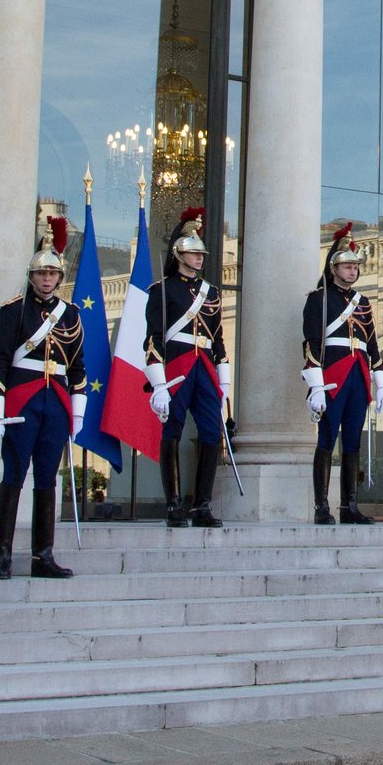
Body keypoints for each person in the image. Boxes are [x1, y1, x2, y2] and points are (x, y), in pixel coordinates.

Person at [0, 217, 87, 579]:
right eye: (41, 274)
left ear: (59, 278)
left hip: (56, 402)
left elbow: (77, 367)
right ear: (31, 276)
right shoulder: (13, 310)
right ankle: (3, 556)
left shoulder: (71, 315)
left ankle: (43, 555)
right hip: (23, 400)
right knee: (14, 475)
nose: (46, 280)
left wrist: (77, 413)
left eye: (52, 274)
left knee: (47, 477)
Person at [145, 208, 229, 528]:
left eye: (201, 253)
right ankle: (174, 504)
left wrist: (225, 383)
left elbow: (218, 338)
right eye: (193, 252)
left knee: (211, 432)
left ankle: (202, 505)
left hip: (205, 367)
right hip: (177, 364)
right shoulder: (162, 290)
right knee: (173, 431)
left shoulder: (212, 293)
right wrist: (159, 384)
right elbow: (153, 339)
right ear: (179, 252)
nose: (199, 258)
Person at [302, 222, 383, 525]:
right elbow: (312, 342)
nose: (353, 271)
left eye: (355, 266)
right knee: (326, 438)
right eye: (347, 266)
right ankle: (321, 506)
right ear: (334, 267)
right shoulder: (319, 299)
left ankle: (350, 506)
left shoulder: (361, 302)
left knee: (353, 441)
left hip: (357, 376)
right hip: (333, 376)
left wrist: (380, 380)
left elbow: (371, 343)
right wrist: (316, 385)